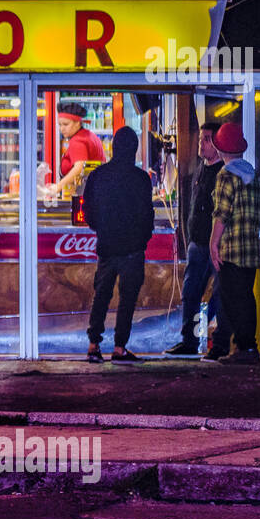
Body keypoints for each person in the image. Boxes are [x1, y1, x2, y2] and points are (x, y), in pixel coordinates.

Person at [82, 126, 154, 363]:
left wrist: (103, 230)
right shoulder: (141, 179)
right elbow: (147, 215)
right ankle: (119, 348)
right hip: (132, 249)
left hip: (107, 246)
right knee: (127, 300)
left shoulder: (98, 176)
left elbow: (88, 212)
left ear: (113, 147)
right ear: (134, 150)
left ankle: (94, 345)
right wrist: (142, 238)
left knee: (101, 295)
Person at [166, 122, 232, 358]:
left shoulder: (222, 174)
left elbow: (221, 213)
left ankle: (220, 343)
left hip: (215, 245)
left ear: (218, 144)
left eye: (206, 139)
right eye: (201, 139)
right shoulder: (200, 170)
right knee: (191, 292)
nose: (201, 144)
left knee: (220, 294)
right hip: (197, 243)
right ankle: (190, 341)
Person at [209, 121, 260, 365]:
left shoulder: (225, 175)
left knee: (233, 300)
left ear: (220, 150)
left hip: (231, 249)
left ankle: (244, 348)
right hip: (251, 250)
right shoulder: (253, 175)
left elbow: (221, 213)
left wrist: (213, 244)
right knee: (246, 298)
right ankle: (248, 347)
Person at [53, 102, 107, 197]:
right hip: (96, 193)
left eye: (65, 124)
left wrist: (58, 187)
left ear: (77, 123)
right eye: (60, 125)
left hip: (84, 196)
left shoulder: (78, 141)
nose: (62, 129)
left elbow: (79, 168)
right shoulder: (90, 135)